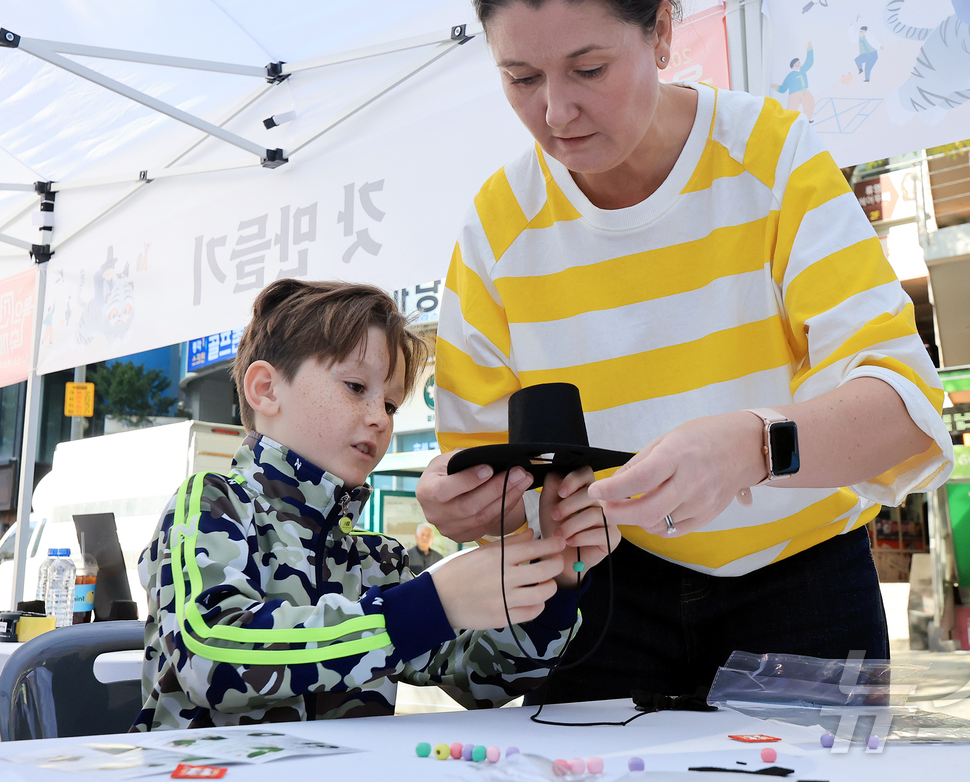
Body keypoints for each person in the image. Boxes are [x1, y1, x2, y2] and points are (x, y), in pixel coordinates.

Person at [417, 0, 953, 704]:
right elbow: (482, 465)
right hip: (600, 597)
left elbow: (904, 409)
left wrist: (752, 446)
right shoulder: (497, 224)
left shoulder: (770, 159)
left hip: (800, 585)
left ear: (663, 32)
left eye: (588, 69)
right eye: (520, 77)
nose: (556, 112)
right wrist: (459, 500)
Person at [133, 279, 617, 730]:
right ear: (266, 389)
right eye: (356, 388)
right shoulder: (213, 501)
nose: (380, 419)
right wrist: (426, 606)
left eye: (389, 403)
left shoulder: (377, 556)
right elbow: (210, 652)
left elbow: (481, 680)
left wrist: (557, 573)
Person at [772, 42, 814, 119]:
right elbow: (783, 89)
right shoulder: (790, 76)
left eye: (798, 63)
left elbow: (809, 62)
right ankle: (788, 121)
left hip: (804, 91)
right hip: (794, 94)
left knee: (810, 102)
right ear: (793, 67)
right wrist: (776, 87)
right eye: (796, 64)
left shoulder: (803, 70)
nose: (798, 65)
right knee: (792, 108)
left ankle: (807, 120)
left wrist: (809, 49)